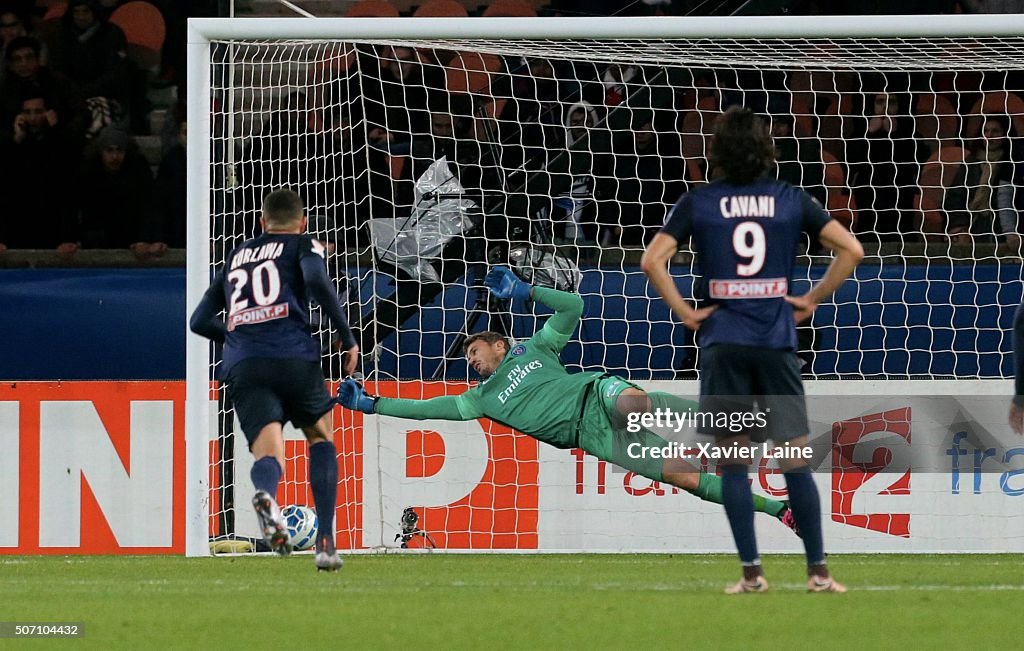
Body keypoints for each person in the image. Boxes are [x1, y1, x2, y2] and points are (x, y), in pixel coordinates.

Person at [337, 266, 802, 536]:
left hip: (596, 394)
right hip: (591, 436)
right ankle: (781, 510)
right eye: (469, 360)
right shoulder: (479, 399)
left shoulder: (534, 348)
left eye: (476, 352)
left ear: (500, 345)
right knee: (684, 476)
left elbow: (573, 308)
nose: (473, 363)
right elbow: (425, 409)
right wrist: (375, 404)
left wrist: (526, 290)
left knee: (633, 405)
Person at [641, 106, 864, 594]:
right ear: (768, 150)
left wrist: (684, 310)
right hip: (776, 344)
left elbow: (652, 260)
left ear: (717, 152)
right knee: (794, 460)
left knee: (734, 465)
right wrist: (811, 299)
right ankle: (819, 573)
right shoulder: (789, 199)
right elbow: (852, 250)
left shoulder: (699, 201)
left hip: (724, 345)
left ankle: (752, 574)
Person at [189, 188, 359, 571]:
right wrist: (347, 336)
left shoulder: (237, 256)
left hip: (244, 363)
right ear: (303, 222)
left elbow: (198, 320)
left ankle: (267, 496)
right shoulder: (303, 245)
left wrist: (238, 337)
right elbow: (316, 281)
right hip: (292, 355)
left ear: (262, 222)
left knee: (269, 453)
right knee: (320, 436)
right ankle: (326, 543)